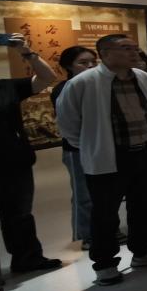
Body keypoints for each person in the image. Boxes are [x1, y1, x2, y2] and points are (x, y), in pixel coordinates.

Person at [56, 34, 147, 285]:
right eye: (126, 48)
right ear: (105, 53)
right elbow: (68, 123)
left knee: (144, 206)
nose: (134, 52)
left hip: (144, 151)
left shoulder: (141, 77)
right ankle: (105, 263)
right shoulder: (83, 82)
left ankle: (143, 251)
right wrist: (94, 146)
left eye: (135, 48)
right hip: (109, 156)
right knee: (105, 213)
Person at [0, 34, 62, 277]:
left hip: (14, 162)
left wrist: (27, 52)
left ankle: (27, 259)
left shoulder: (5, 87)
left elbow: (47, 78)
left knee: (19, 215)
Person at [51, 45, 98, 252]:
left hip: (98, 145)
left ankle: (103, 230)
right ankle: (86, 235)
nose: (90, 66)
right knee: (83, 193)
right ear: (69, 66)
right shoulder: (64, 88)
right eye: (83, 62)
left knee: (102, 191)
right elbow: (67, 123)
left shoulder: (97, 84)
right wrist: (81, 143)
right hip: (76, 148)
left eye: (93, 62)